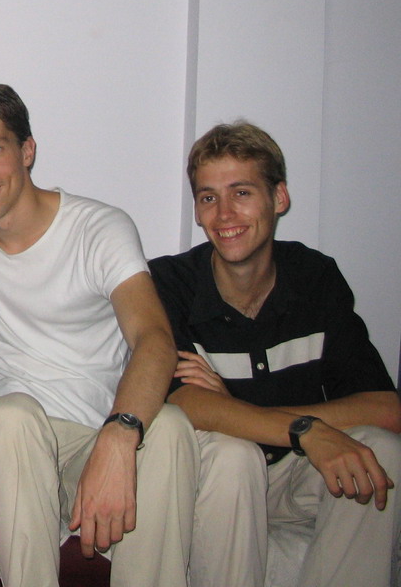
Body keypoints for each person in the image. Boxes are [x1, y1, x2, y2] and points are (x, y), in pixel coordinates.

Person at [0, 82, 198, 587]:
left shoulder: (98, 229)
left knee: (172, 429)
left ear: (27, 150)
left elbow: (154, 338)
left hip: (92, 435)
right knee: (9, 415)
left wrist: (119, 435)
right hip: (13, 445)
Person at [149, 121, 401, 587]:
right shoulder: (171, 283)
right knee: (233, 452)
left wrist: (278, 424)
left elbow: (386, 407)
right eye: (208, 198)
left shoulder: (314, 277)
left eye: (241, 192)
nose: (224, 214)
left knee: (383, 451)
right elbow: (182, 401)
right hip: (220, 477)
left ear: (278, 198)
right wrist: (304, 428)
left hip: (296, 471)